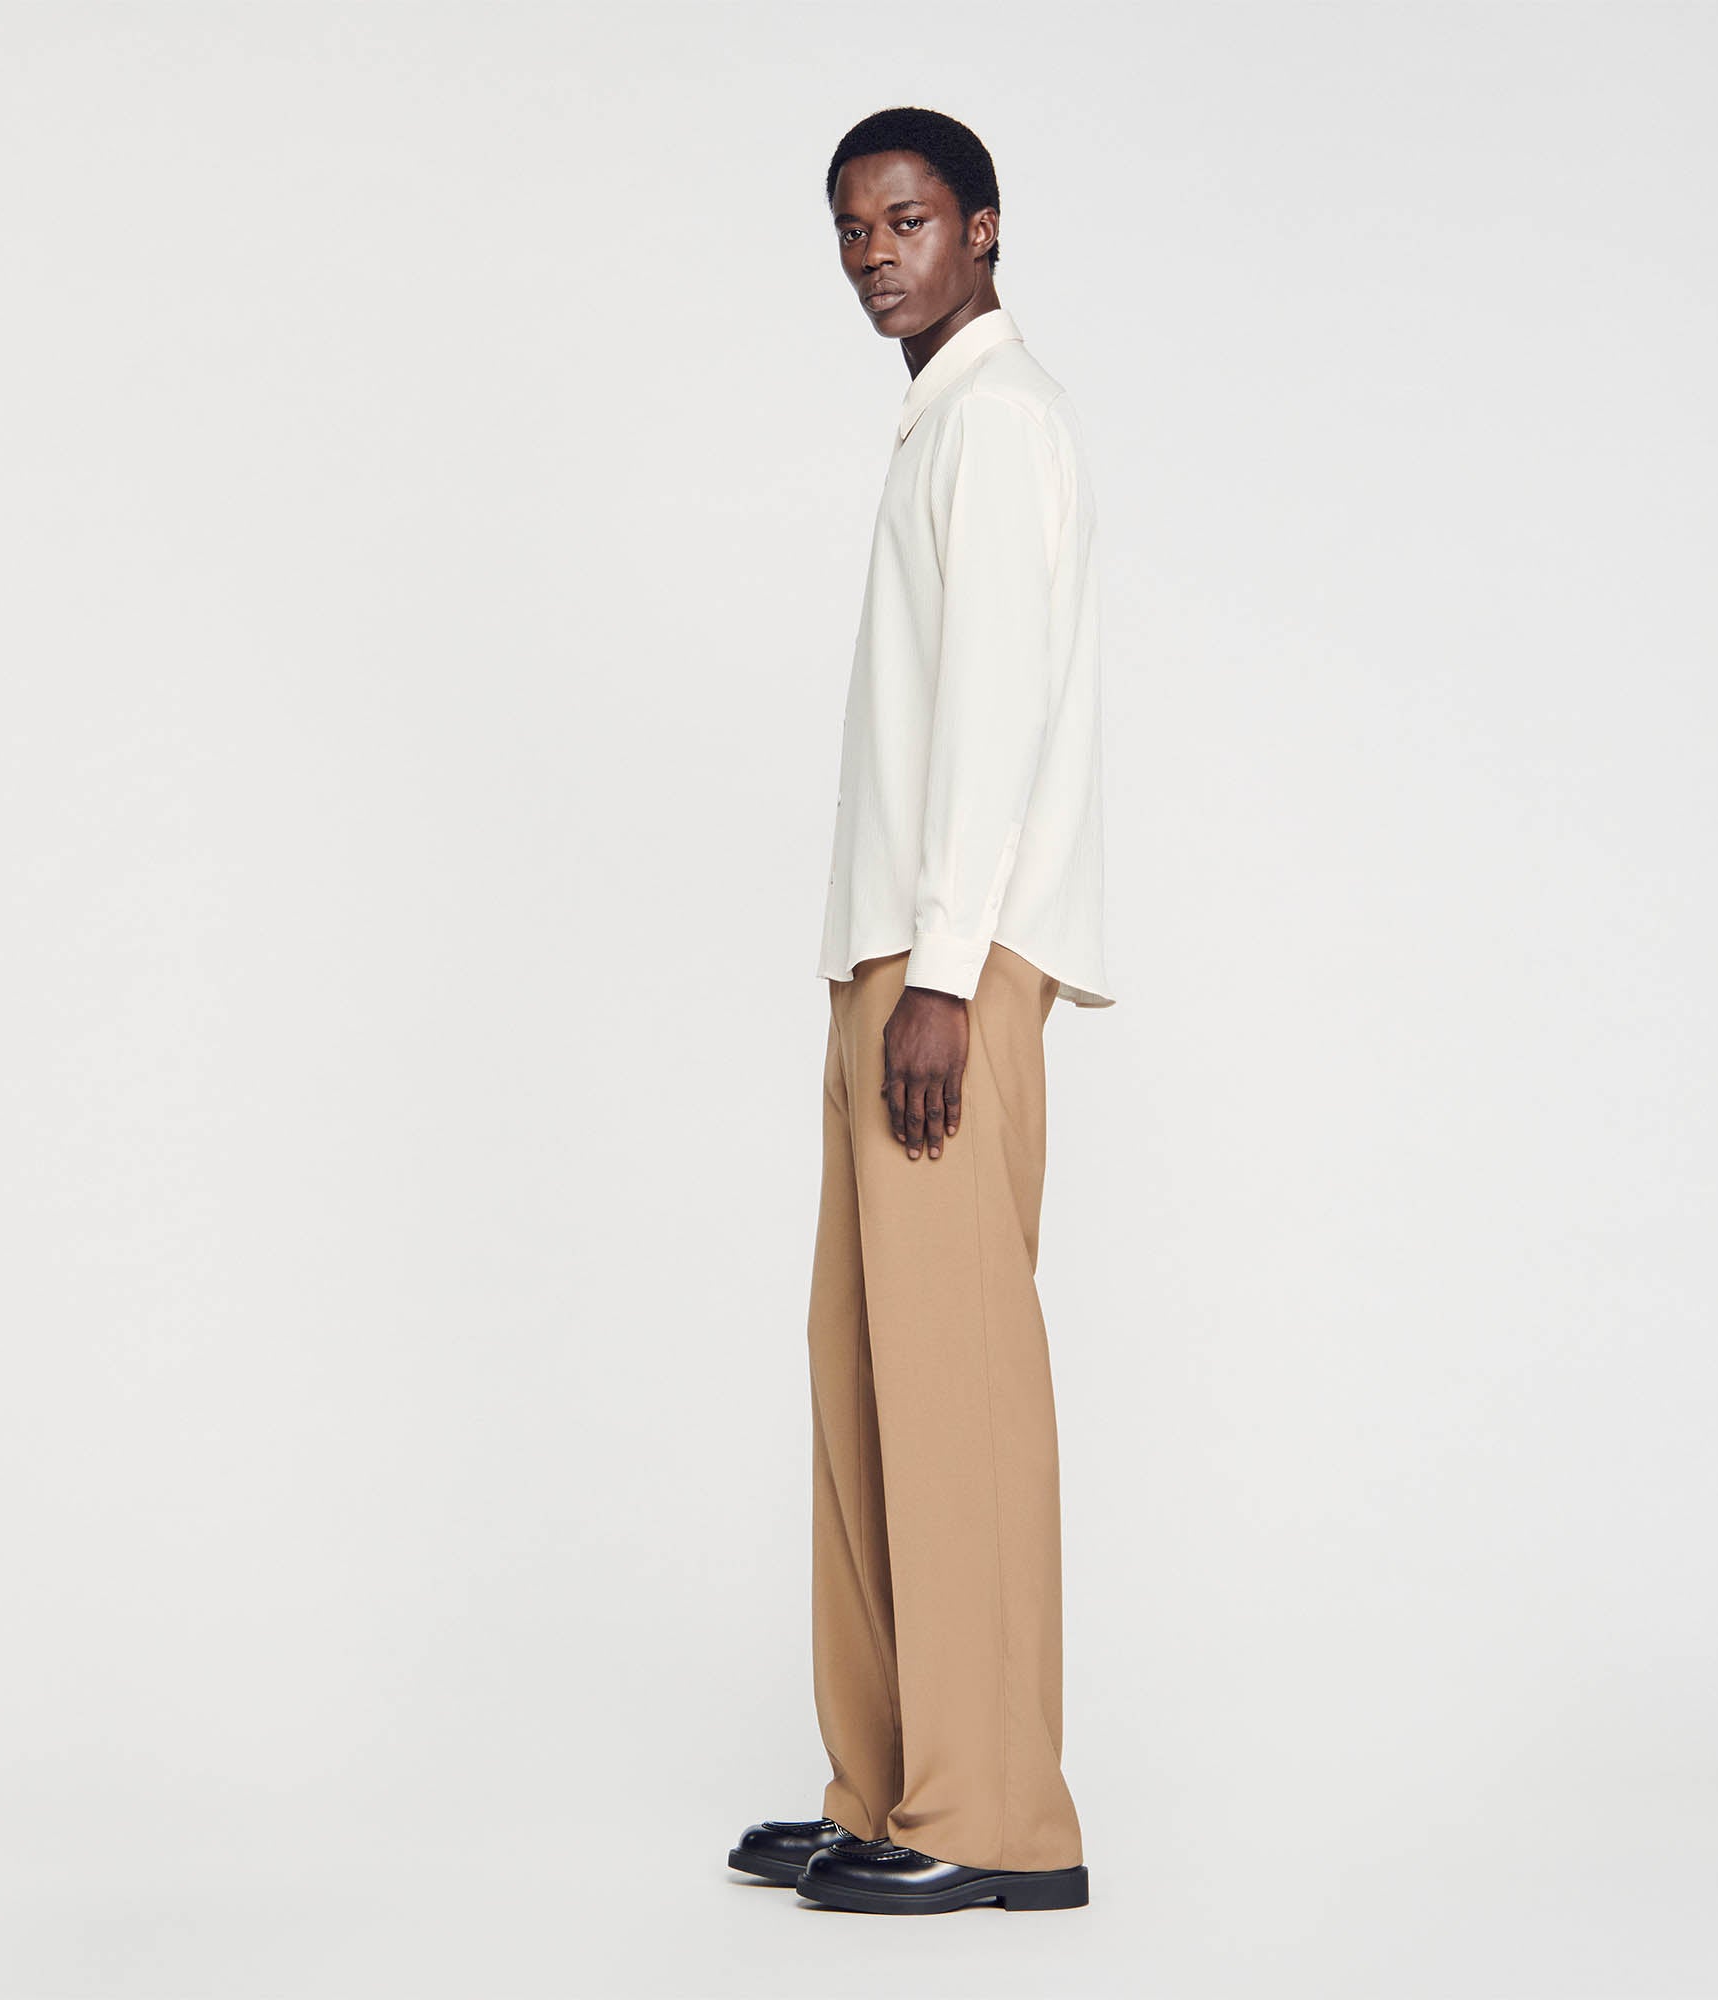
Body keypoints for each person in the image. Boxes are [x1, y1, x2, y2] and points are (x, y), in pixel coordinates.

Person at [727, 105, 1115, 1917]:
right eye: (852, 231)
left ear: (983, 227)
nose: (874, 255)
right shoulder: (943, 422)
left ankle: (996, 1816)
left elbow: (998, 709)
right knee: (865, 1374)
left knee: (954, 1384)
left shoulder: (1002, 423)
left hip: (945, 969)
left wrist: (947, 971)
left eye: (906, 221)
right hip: (889, 959)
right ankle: (885, 1782)